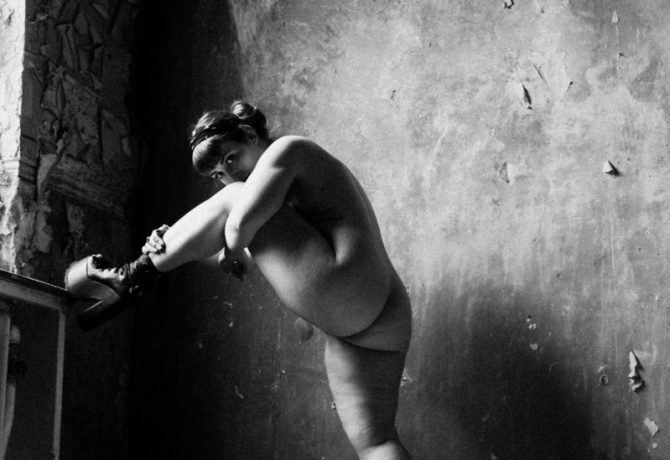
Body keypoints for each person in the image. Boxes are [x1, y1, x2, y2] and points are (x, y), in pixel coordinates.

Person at [65, 101, 413, 459]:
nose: (230, 175)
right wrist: (175, 238)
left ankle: (128, 277)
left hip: (349, 287)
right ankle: (138, 271)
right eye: (218, 174)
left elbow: (237, 228)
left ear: (249, 135)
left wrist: (217, 244)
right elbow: (236, 255)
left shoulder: (288, 149)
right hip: (386, 316)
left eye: (232, 158)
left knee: (234, 200)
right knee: (377, 443)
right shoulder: (281, 198)